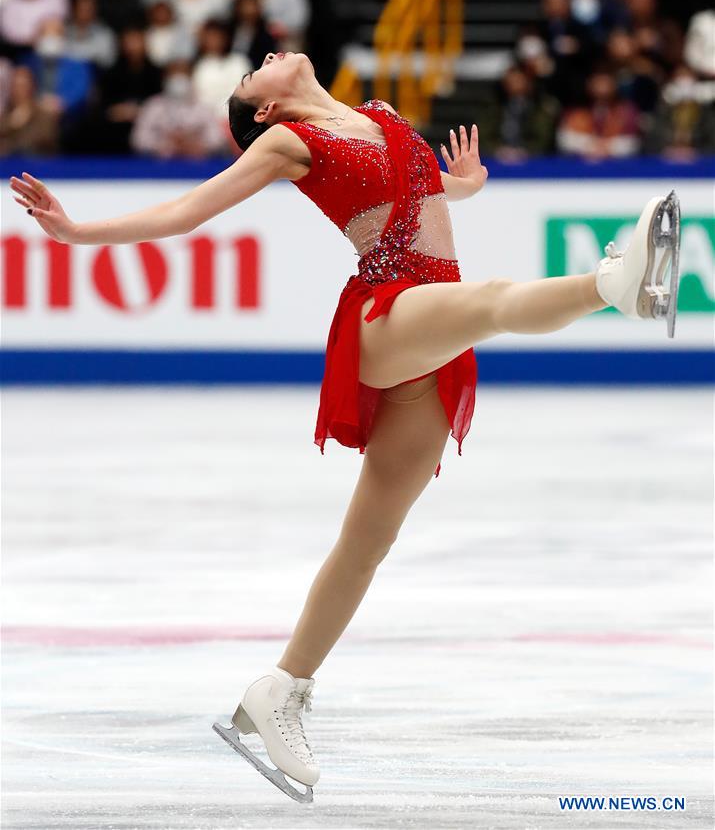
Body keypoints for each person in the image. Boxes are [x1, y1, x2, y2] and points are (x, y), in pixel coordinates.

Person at [9, 51, 680, 800]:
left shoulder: (381, 117)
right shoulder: (284, 143)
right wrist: (77, 235)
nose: (262, 59)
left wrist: (465, 186)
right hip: (387, 314)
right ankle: (616, 284)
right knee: (492, 301)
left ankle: (280, 688)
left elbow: (419, 191)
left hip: (431, 324)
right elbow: (185, 211)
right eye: (248, 76)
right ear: (264, 110)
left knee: (367, 542)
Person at [131, 59, 227, 158]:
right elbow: (139, 139)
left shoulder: (203, 107)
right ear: (165, 77)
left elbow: (218, 139)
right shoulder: (153, 106)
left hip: (196, 167)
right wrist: (163, 144)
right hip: (161, 166)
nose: (178, 78)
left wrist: (197, 143)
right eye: (174, 73)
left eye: (183, 73)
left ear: (190, 77)